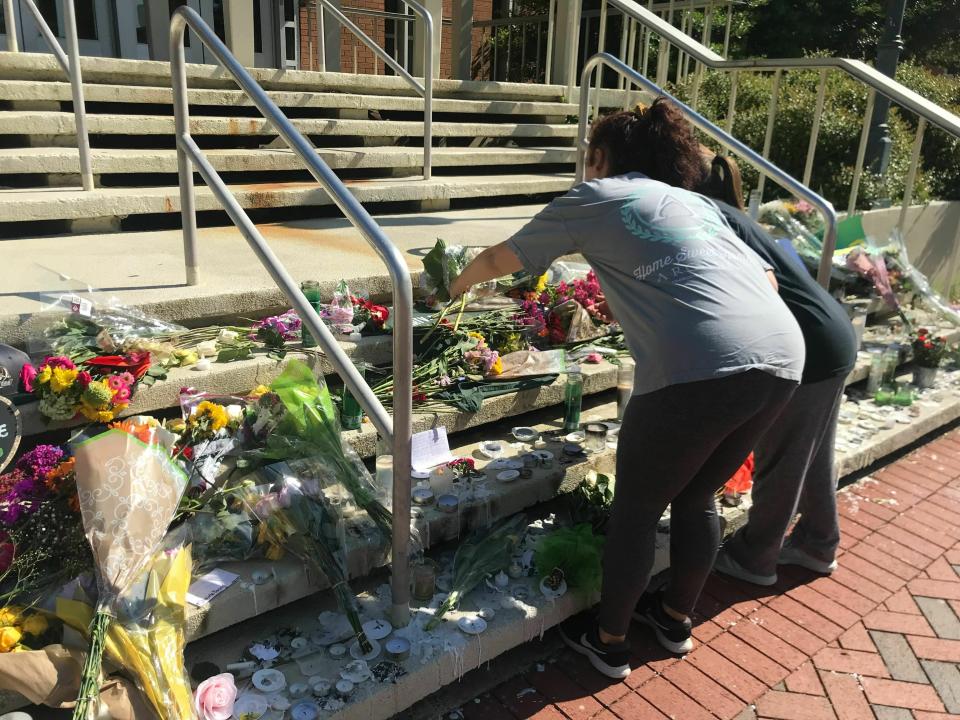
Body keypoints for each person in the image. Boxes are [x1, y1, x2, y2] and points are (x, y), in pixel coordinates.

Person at [448, 99, 805, 679]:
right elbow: (760, 275)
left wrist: (444, 291)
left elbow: (497, 258)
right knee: (698, 496)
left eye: (591, 155)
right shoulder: (694, 202)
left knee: (638, 509)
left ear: (601, 155)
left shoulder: (595, 197)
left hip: (701, 368)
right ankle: (673, 620)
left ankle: (610, 640)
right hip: (781, 356)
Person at [701, 154, 860, 586]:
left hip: (807, 344)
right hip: (832, 333)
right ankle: (816, 543)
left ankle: (755, 557)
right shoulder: (735, 215)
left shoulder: (707, 219)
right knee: (811, 455)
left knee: (782, 459)